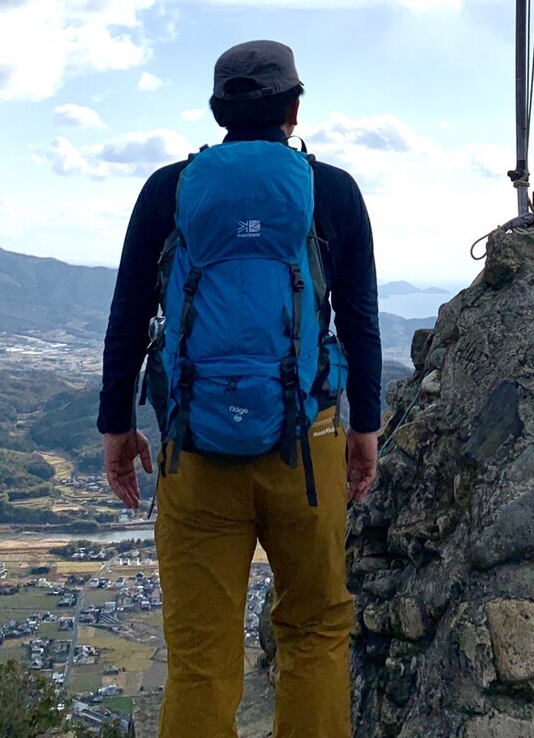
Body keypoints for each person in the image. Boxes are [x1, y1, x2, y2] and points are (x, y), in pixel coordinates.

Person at [98, 40, 382, 738]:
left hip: (194, 448)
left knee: (200, 659)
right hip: (305, 447)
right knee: (314, 629)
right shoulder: (332, 190)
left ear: (218, 111)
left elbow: (129, 313)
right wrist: (363, 427)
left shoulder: (170, 189)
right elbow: (361, 320)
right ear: (293, 107)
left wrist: (117, 426)